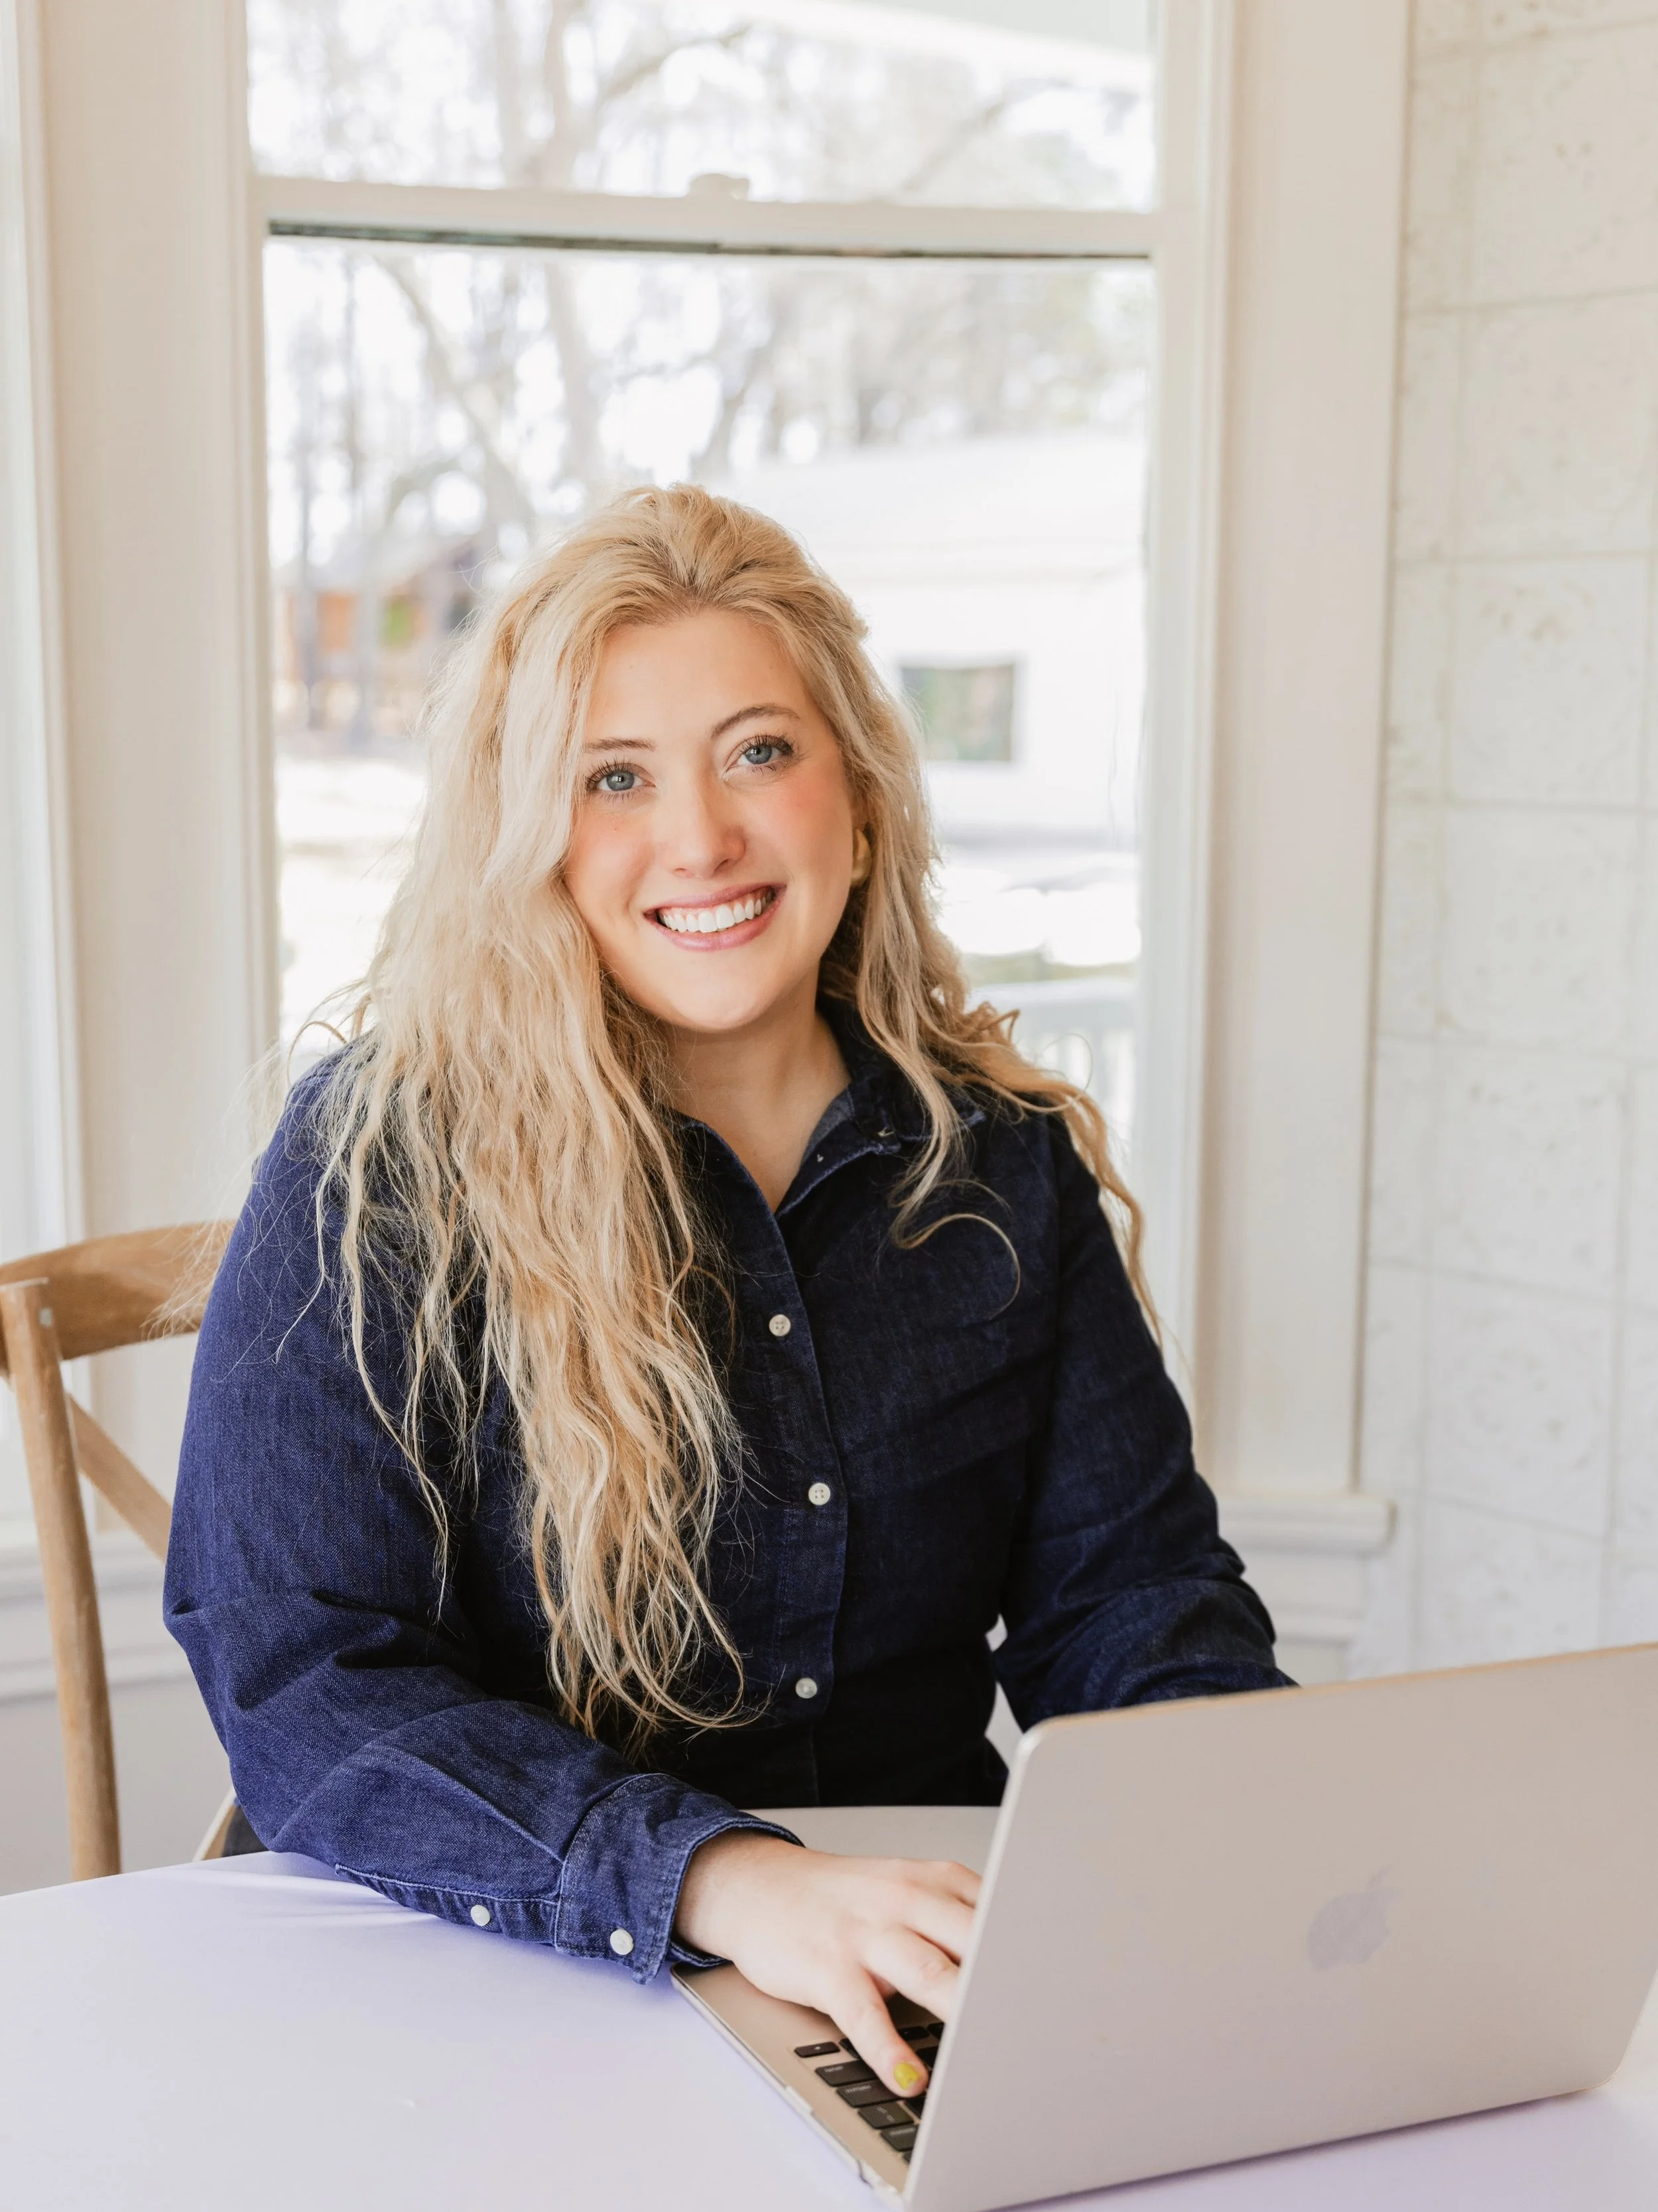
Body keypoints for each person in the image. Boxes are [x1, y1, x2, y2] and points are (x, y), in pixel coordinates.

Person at [166, 486, 1285, 2104]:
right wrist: (728, 1881)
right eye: (613, 778)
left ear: (861, 800)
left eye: (759, 751)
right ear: (529, 837)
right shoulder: (381, 1166)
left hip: (909, 1983)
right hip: (495, 1988)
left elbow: (1128, 1602)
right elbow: (307, 1680)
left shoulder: (999, 1161)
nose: (698, 839)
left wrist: (1257, 1848)